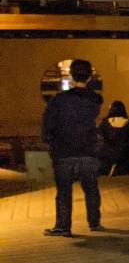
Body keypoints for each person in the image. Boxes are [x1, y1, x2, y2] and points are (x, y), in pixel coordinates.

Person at [42, 59, 104, 236]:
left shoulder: (59, 100)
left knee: (64, 191)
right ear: (90, 76)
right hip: (88, 149)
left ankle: (63, 226)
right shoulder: (95, 100)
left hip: (64, 150)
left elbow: (48, 125)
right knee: (91, 188)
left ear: (71, 74)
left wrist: (50, 141)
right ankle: (94, 222)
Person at [98, 101, 129, 176]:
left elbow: (101, 139)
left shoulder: (105, 123)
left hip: (109, 152)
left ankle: (111, 168)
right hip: (125, 152)